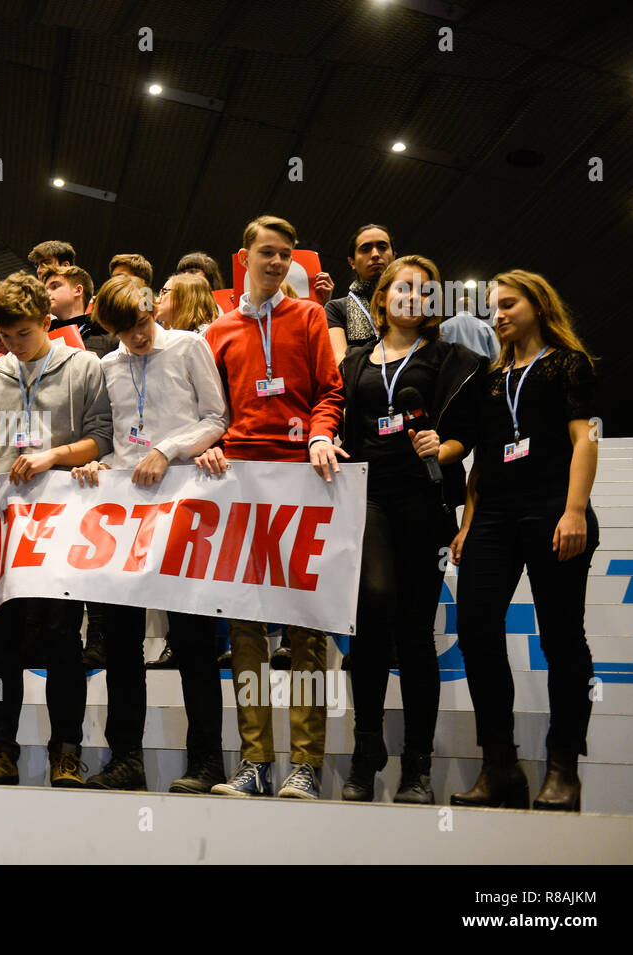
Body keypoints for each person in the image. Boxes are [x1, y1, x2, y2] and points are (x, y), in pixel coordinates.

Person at [201, 215, 344, 800]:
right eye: (268, 252)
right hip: (240, 482)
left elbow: (330, 390)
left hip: (304, 479)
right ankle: (255, 762)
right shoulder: (218, 331)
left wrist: (319, 432)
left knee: (307, 630)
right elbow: (209, 408)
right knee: (246, 630)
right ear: (244, 257)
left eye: (286, 255)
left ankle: (306, 764)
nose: (278, 262)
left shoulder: (310, 315)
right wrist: (211, 445)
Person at [449, 270, 599, 813]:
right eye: (494, 308)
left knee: (561, 639)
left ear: (539, 303)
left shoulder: (567, 364)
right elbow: (481, 462)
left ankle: (563, 769)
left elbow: (585, 439)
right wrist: (468, 523)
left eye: (509, 304)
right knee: (475, 631)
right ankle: (500, 768)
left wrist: (575, 509)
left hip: (553, 509)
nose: (499, 315)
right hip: (494, 515)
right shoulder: (489, 379)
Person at [338, 255, 486, 803]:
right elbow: (334, 412)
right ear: (383, 298)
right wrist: (325, 437)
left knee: (417, 634)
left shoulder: (453, 359)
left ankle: (417, 766)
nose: (413, 297)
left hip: (424, 498)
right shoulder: (356, 361)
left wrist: (442, 448)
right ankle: (365, 748)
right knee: (374, 609)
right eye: (403, 288)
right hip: (367, 497)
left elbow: (466, 438)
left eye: (425, 291)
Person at [72, 274, 228, 792]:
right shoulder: (105, 364)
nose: (136, 338)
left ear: (152, 311)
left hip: (186, 504)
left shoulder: (188, 346)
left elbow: (216, 417)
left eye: (140, 324)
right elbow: (111, 437)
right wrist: (100, 465)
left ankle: (206, 761)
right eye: (123, 330)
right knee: (120, 644)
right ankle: (126, 760)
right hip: (125, 514)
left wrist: (169, 448)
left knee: (192, 641)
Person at [0, 272, 113, 787]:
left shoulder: (84, 365)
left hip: (65, 520)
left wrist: (52, 457)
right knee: (0, 638)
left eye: (22, 334)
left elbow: (102, 440)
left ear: (47, 323)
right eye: (4, 336)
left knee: (62, 636)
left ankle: (66, 749)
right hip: (6, 521)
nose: (12, 345)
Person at [325, 225, 396, 363]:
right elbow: (340, 362)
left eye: (382, 247)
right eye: (366, 249)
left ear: (394, 257)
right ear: (351, 262)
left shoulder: (411, 301)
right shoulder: (336, 309)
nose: (375, 254)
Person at [440, 292, 499, 361]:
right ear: (473, 309)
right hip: (481, 369)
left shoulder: (442, 327)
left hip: (449, 369)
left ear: (456, 309)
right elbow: (496, 356)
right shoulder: (486, 328)